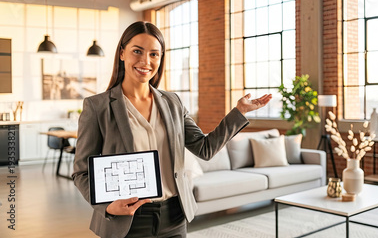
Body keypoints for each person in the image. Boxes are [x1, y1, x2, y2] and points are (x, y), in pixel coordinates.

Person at [72, 21, 272, 238]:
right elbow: (81, 172)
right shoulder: (97, 106)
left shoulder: (172, 103)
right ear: (122, 53)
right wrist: (107, 206)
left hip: (174, 216)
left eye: (154, 54)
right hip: (127, 220)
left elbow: (205, 148)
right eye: (137, 51)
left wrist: (239, 112)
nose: (145, 61)